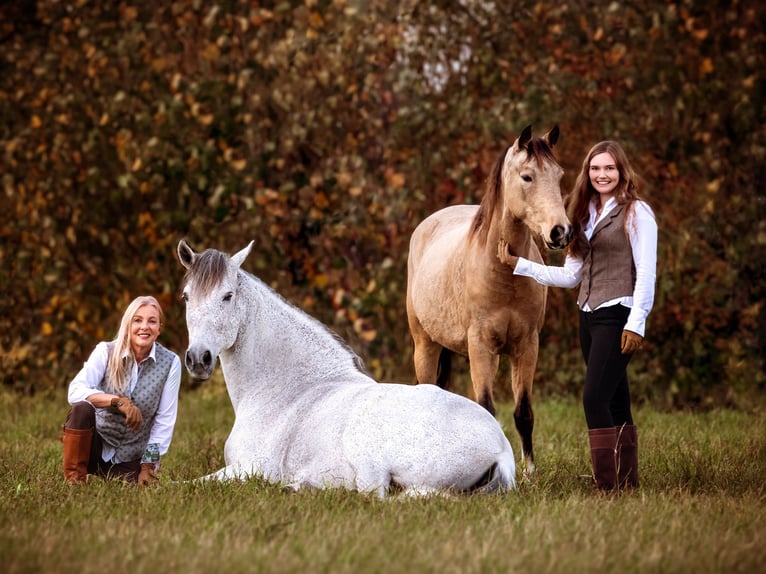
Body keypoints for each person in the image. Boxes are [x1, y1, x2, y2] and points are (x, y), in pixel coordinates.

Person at [497, 140, 657, 491]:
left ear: (621, 172)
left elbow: (646, 272)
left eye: (610, 168)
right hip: (588, 316)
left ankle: (607, 487)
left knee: (594, 397)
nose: (602, 174)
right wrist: (520, 265)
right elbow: (571, 277)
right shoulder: (583, 214)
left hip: (619, 314)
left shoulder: (636, 213)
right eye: (596, 168)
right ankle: (627, 483)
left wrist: (637, 321)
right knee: (616, 397)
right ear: (588, 172)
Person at [61, 295, 182, 485]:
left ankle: (124, 474)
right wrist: (117, 401)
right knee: (81, 409)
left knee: (146, 490)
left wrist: (148, 466)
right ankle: (75, 482)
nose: (144, 327)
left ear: (160, 328)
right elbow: (75, 391)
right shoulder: (106, 351)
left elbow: (164, 422)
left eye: (152, 321)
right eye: (138, 320)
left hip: (131, 457)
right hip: (95, 447)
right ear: (128, 325)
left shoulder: (171, 362)